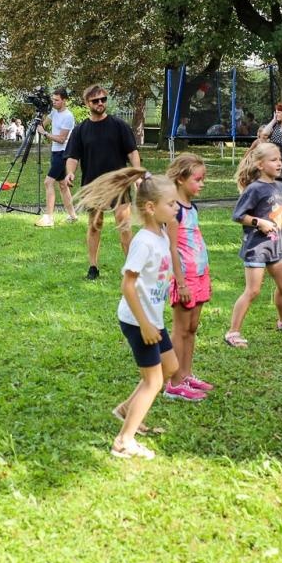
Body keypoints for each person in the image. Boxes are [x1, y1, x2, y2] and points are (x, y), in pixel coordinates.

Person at [76, 166, 178, 459]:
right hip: (138, 320)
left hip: (152, 318)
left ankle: (126, 409)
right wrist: (145, 324)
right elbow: (128, 286)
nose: (175, 208)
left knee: (170, 368)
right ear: (150, 207)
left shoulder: (159, 234)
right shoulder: (143, 242)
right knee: (154, 381)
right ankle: (123, 441)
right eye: (170, 204)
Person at [224, 142, 282, 348]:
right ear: (259, 164)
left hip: (276, 246)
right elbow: (238, 216)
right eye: (273, 160)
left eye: (280, 159)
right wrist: (259, 222)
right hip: (257, 247)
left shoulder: (280, 186)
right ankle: (233, 332)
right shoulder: (254, 189)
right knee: (253, 290)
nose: (279, 163)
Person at [65, 84, 141, 280]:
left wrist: (137, 174)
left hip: (118, 183)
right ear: (87, 103)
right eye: (96, 100)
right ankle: (93, 266)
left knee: (124, 224)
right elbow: (73, 156)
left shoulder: (119, 126)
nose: (100, 103)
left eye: (103, 100)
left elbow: (132, 151)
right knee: (95, 224)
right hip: (93, 185)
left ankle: (130, 268)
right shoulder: (81, 130)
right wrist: (70, 173)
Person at [164, 153, 213, 401]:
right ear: (181, 179)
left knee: (192, 328)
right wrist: (180, 282)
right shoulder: (174, 211)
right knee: (181, 329)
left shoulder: (191, 207)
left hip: (200, 274)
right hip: (184, 279)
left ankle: (185, 374)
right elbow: (171, 249)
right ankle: (173, 383)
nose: (202, 184)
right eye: (198, 179)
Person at [39, 88, 79, 228]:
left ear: (64, 100)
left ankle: (49, 217)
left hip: (64, 153)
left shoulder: (68, 116)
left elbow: (62, 139)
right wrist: (39, 119)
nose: (54, 102)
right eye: (53, 100)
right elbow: (43, 124)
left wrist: (44, 134)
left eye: (57, 100)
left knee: (48, 182)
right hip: (55, 152)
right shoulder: (54, 112)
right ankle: (73, 216)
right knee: (62, 185)